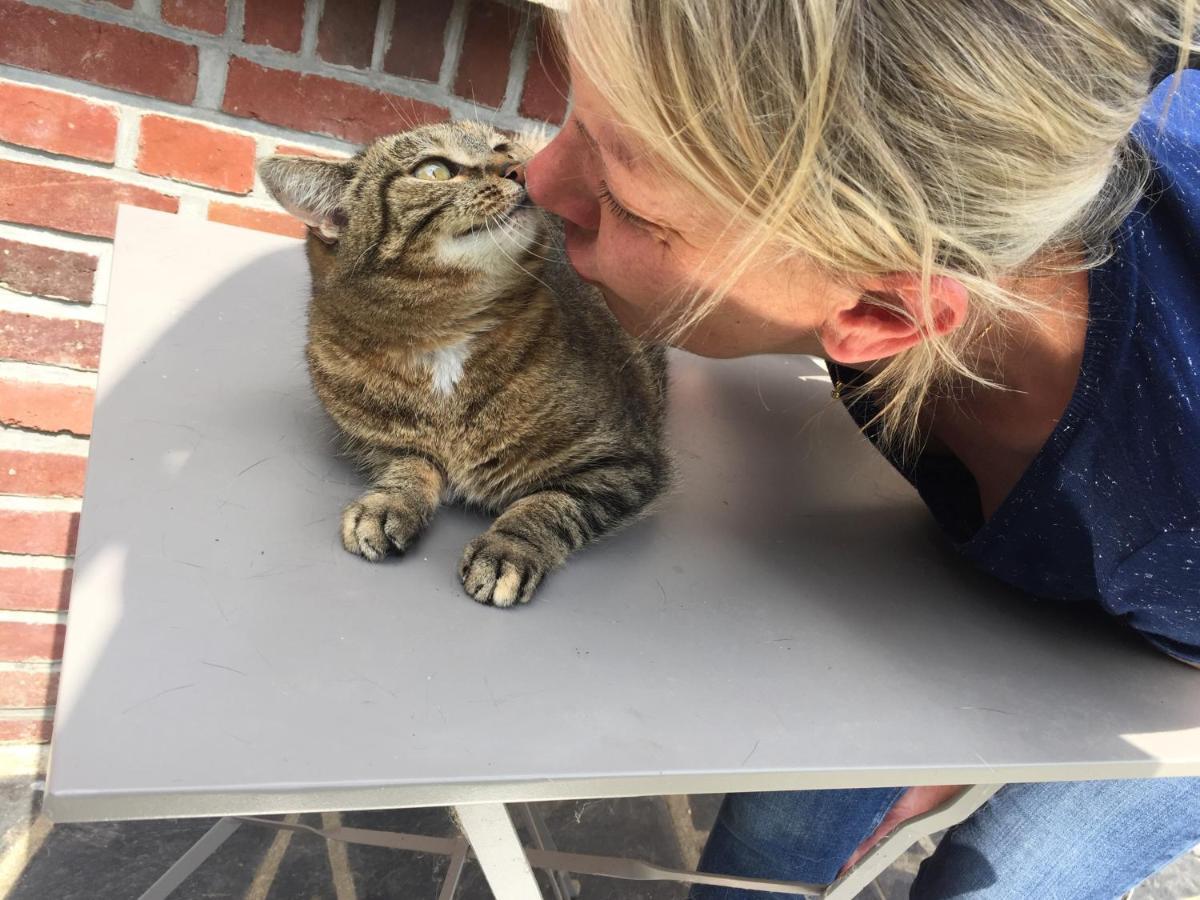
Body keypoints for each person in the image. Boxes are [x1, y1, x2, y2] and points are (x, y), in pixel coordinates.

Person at [522, 2, 1200, 898]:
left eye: (622, 198)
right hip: (1049, 553)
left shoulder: (1175, 470)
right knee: (771, 843)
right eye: (575, 116)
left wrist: (1011, 728)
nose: (538, 181)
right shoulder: (929, 228)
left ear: (884, 316)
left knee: (999, 883)